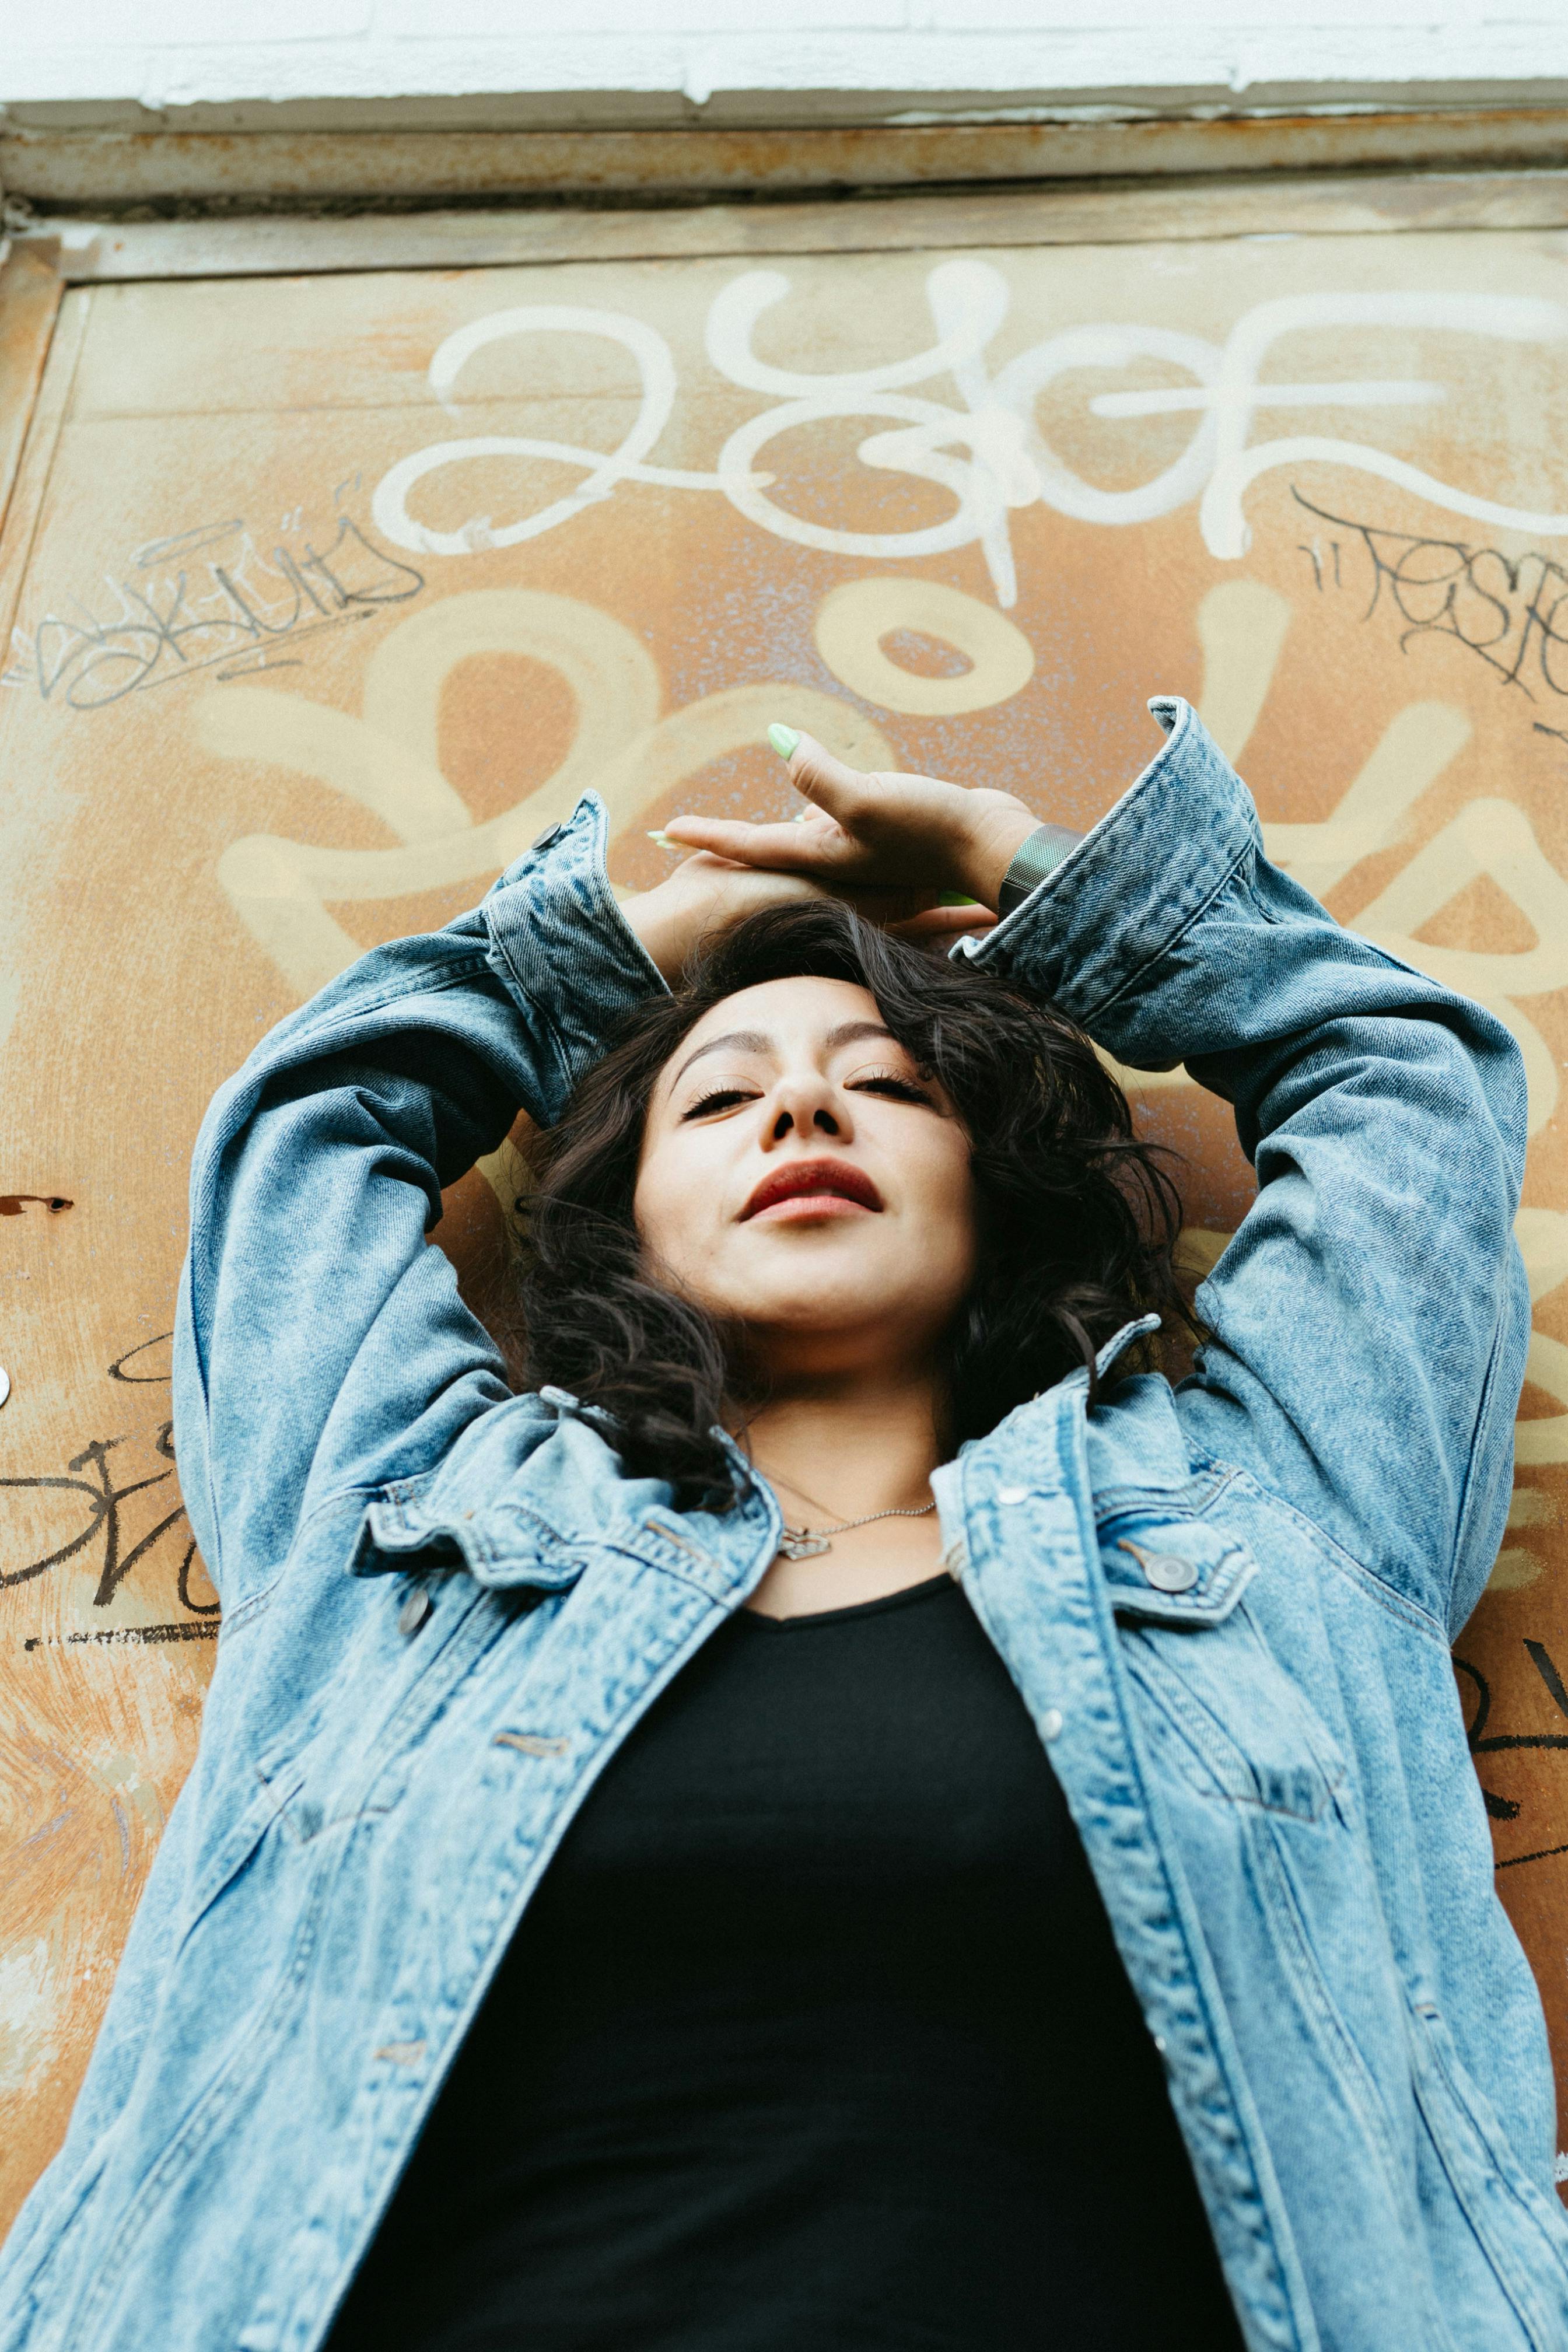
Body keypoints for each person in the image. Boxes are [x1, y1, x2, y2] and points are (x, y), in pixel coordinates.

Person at [2, 696, 1564, 2352]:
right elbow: (309, 1133)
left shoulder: (1272, 1521)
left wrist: (1016, 865)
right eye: (719, 1096)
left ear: (993, 1182)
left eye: (885, 1083)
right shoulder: (412, 1524)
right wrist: (602, 964)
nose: (801, 1115)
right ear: (627, 1214)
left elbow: (1406, 1088)